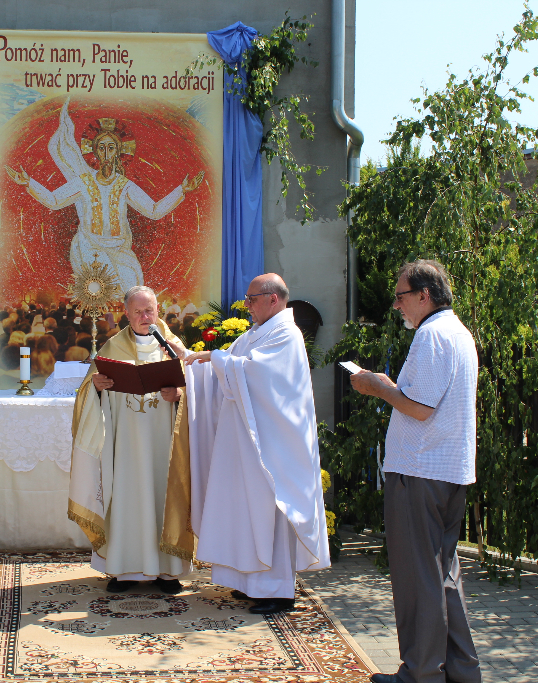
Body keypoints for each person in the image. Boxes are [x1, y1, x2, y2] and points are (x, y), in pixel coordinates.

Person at [349, 260, 481, 683]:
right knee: (443, 573)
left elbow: (418, 408)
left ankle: (421, 673)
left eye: (401, 296)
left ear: (424, 294)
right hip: (448, 469)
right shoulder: (458, 333)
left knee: (417, 575)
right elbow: (425, 399)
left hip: (420, 471)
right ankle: (461, 670)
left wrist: (375, 385)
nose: (396, 305)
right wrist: (390, 385)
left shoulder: (431, 335)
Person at [181, 274, 328, 615]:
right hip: (246, 442)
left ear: (273, 299)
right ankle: (250, 583)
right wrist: (196, 361)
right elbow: (226, 363)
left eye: (251, 299)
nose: (246, 305)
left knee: (269, 511)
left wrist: (216, 360)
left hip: (273, 448)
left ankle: (276, 590)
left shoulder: (285, 335)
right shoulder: (256, 333)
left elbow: (257, 375)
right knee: (245, 509)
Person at [68, 285, 193, 594]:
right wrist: (96, 386)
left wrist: (179, 393)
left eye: (149, 311)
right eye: (137, 312)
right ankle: (124, 570)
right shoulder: (111, 347)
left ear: (158, 311)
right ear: (125, 313)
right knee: (125, 496)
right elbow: (87, 392)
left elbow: (196, 387)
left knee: (163, 496)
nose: (144, 317)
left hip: (164, 443)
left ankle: (169, 571)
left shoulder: (172, 346)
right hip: (124, 445)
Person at [6, 100, 204, 293]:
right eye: (102, 148)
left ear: (118, 152)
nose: (106, 153)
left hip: (119, 250)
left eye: (111, 148)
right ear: (95, 152)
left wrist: (182, 190)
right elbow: (55, 200)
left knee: (132, 285)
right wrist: (28, 183)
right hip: (89, 248)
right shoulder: (84, 182)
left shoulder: (124, 185)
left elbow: (153, 210)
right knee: (100, 291)